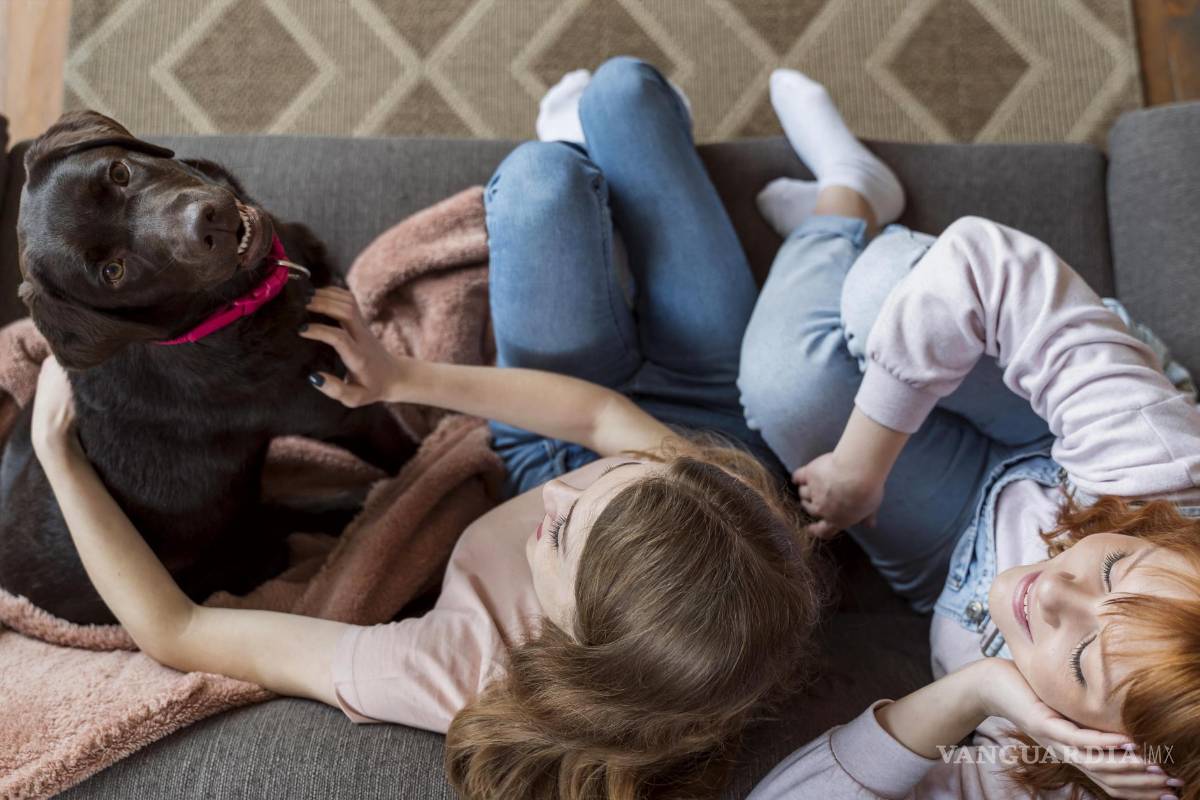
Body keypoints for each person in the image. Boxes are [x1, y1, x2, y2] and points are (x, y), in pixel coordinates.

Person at [28, 58, 824, 800]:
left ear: (576, 639)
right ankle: (627, 161)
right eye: (608, 488)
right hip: (711, 404)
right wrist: (401, 378)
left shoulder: (454, 669)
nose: (556, 498)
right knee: (624, 91)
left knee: (538, 182)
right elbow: (601, 417)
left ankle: (584, 175)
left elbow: (177, 629)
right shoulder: (722, 528)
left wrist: (58, 455)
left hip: (541, 444)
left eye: (560, 534)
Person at [738, 69, 1200, 799]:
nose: (1057, 590)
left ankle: (843, 202)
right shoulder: (1164, 475)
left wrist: (980, 689)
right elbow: (982, 264)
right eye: (1113, 572)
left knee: (786, 390)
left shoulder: (1037, 778)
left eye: (1081, 661)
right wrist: (860, 465)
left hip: (952, 552)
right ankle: (848, 215)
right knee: (881, 296)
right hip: (1061, 445)